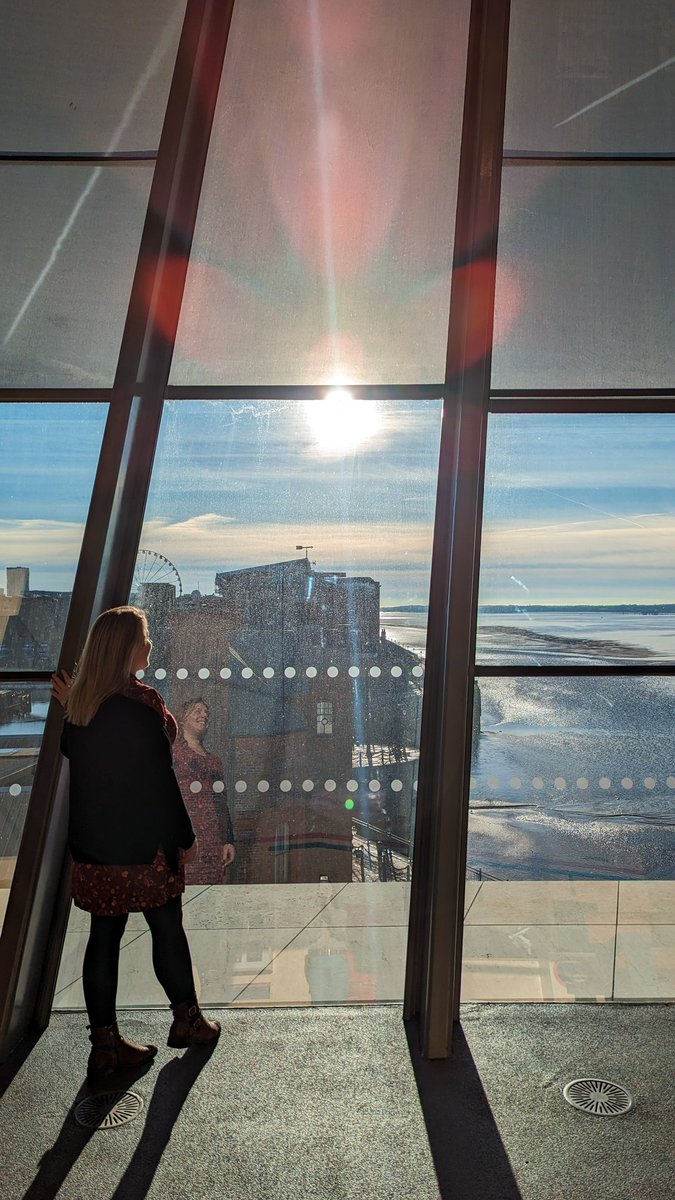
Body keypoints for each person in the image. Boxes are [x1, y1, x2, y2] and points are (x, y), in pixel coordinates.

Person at [52, 605, 220, 1085]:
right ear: (128, 647)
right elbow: (159, 783)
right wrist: (184, 839)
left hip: (95, 848)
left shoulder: (82, 704)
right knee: (167, 930)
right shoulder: (143, 704)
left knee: (103, 940)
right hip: (144, 848)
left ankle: (105, 1046)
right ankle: (189, 1022)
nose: (149, 645)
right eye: (144, 638)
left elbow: (74, 749)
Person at [172, 698, 235, 885]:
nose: (204, 715)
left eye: (206, 712)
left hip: (212, 837)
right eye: (197, 711)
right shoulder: (174, 754)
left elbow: (222, 803)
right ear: (183, 718)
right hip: (186, 832)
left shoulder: (214, 760)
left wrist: (228, 840)